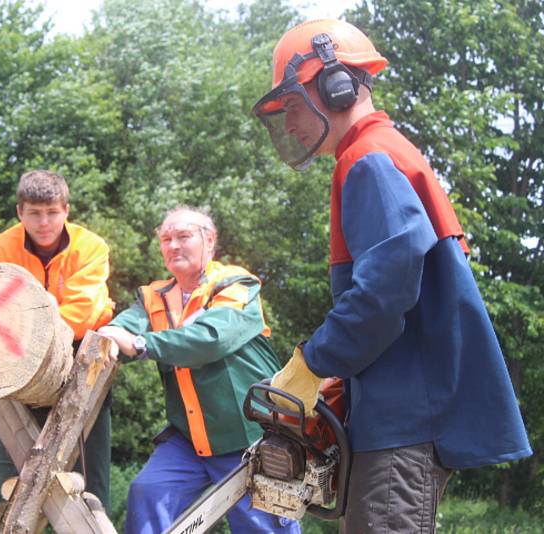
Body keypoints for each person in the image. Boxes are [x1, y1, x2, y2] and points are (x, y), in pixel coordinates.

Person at [251, 19, 532, 533]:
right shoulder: (378, 152)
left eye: (292, 106)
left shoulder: (369, 157)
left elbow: (387, 287)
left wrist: (315, 362)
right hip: (396, 409)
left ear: (335, 87)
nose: (289, 125)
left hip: (404, 421)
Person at [98, 207, 300, 534]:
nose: (173, 245)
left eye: (183, 236)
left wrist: (138, 343)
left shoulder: (237, 285)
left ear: (210, 240)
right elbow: (122, 327)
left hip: (252, 436)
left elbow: (211, 339)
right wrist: (107, 338)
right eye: (166, 239)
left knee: (263, 525)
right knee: (149, 491)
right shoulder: (153, 296)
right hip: (189, 440)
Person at [0, 170, 115, 518]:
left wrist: (27, 324)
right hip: (17, 367)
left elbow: (83, 313)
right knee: (7, 491)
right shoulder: (1, 248)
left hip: (81, 366)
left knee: (88, 493)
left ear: (66, 210)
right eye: (34, 213)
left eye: (52, 212)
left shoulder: (91, 247)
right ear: (19, 212)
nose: (44, 222)